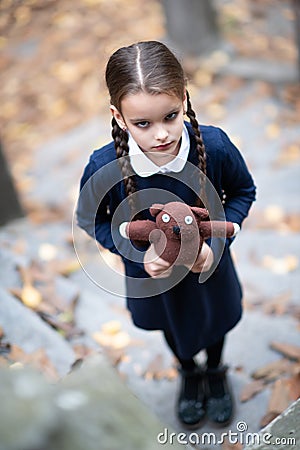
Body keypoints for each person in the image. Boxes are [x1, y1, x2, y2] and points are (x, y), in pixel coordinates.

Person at [76, 40, 256, 428]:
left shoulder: (216, 146)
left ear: (184, 99)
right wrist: (135, 252)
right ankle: (189, 372)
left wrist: (217, 242)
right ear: (119, 117)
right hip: (151, 278)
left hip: (208, 267)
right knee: (172, 325)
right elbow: (90, 219)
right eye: (143, 123)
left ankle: (215, 369)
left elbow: (243, 192)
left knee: (215, 319)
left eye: (170, 116)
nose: (161, 134)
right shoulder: (104, 165)